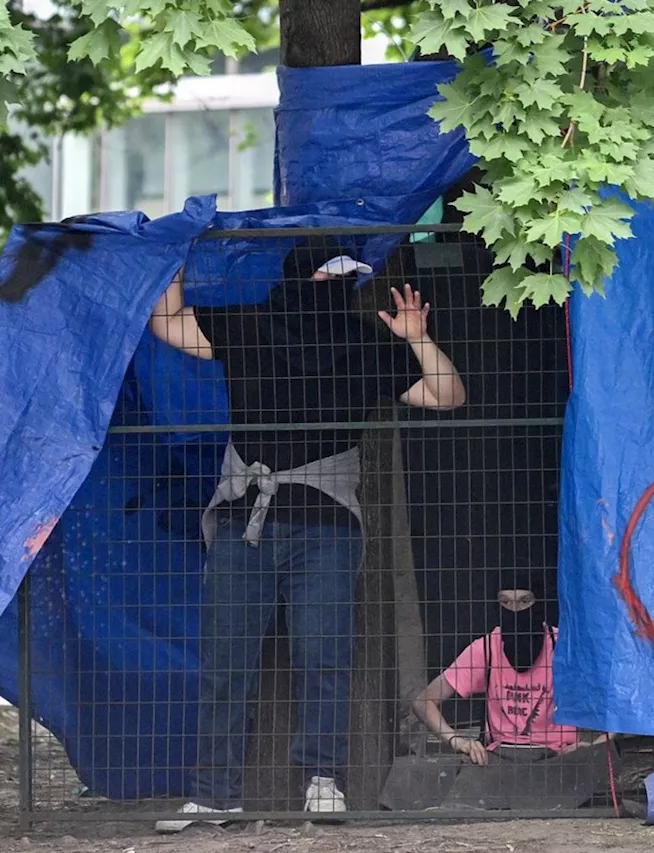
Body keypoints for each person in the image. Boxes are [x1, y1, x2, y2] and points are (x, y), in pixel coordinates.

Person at [150, 236, 466, 832]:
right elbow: (166, 323)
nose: (330, 293)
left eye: (341, 282)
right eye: (326, 280)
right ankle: (215, 795)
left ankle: (323, 781)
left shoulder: (363, 345)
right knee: (226, 662)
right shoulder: (247, 329)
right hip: (247, 524)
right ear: (300, 279)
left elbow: (448, 396)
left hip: (326, 528)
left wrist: (417, 337)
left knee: (324, 657)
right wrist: (174, 252)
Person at [379, 569, 614, 811]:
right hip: (498, 760)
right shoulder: (486, 649)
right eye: (505, 602)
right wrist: (457, 741)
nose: (515, 610)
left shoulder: (564, 646)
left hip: (557, 759)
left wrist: (591, 743)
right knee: (414, 775)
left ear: (539, 603)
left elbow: (617, 699)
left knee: (596, 761)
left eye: (524, 601)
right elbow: (423, 702)